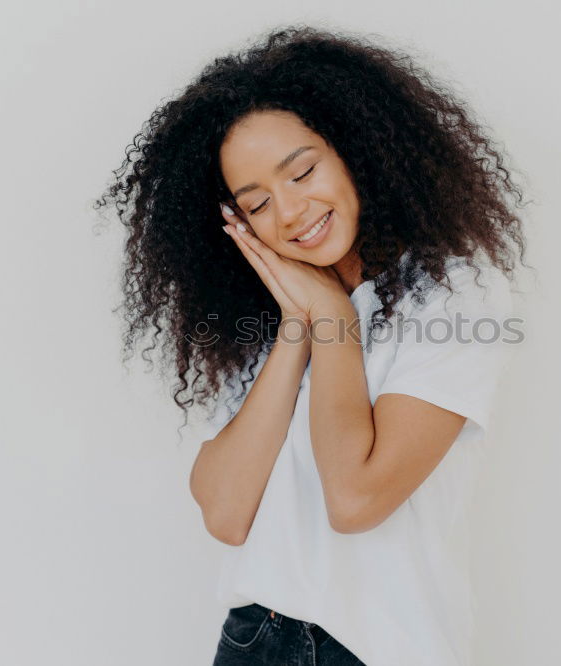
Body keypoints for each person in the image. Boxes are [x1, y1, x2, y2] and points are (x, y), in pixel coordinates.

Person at [95, 25, 527, 666]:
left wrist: (333, 320)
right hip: (251, 638)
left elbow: (355, 500)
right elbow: (225, 511)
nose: (291, 212)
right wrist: (301, 324)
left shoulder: (453, 294)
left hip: (378, 646)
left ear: (356, 148)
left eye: (302, 172)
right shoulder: (272, 313)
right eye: (258, 204)